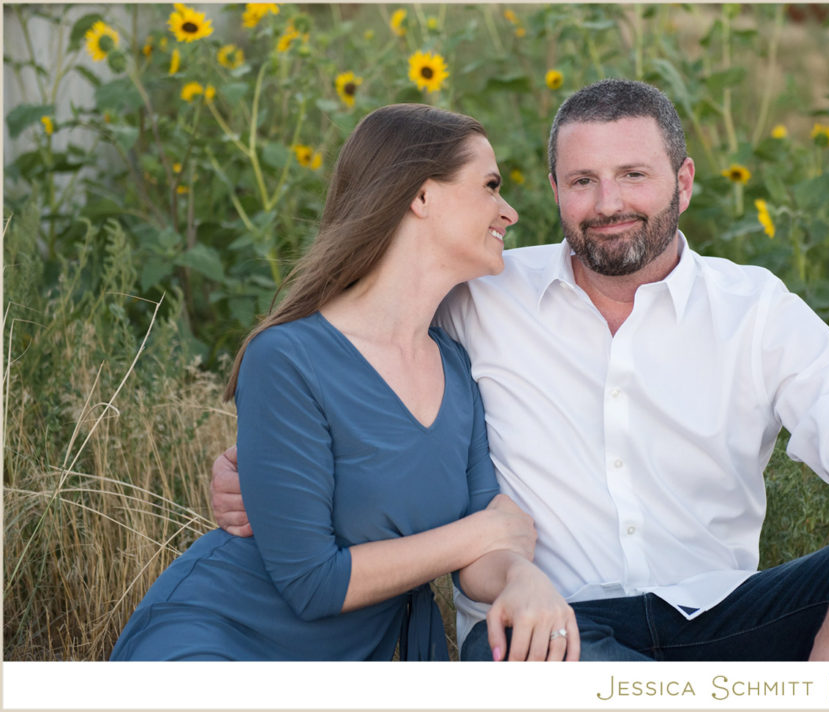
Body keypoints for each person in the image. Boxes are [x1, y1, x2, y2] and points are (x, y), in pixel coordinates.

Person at [212, 80, 829, 662]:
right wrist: (257, 467)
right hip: (545, 628)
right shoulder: (482, 294)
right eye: (581, 181)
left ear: (684, 181)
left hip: (717, 619)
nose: (608, 205)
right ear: (556, 189)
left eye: (634, 175)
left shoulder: (752, 308)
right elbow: (354, 359)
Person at [111, 103, 545, 661]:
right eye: (490, 186)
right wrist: (480, 535)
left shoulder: (456, 369)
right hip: (226, 640)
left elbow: (493, 538)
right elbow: (313, 582)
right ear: (421, 197)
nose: (507, 211)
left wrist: (520, 578)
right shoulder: (288, 357)